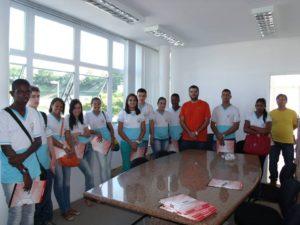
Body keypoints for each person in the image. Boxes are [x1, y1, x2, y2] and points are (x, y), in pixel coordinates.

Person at [0, 79, 42, 225]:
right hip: (12, 170)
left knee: (30, 211)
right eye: (20, 91)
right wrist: (24, 172)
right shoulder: (3, 115)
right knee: (16, 213)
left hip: (32, 167)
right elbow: (6, 148)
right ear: (13, 93)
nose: (24, 95)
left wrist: (22, 158)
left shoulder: (33, 113)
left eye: (27, 91)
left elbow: (38, 141)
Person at [28, 86, 55, 225]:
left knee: (46, 196)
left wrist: (53, 159)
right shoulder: (24, 116)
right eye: (33, 96)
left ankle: (47, 220)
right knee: (37, 199)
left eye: (38, 96)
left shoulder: (41, 115)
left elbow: (49, 137)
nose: (36, 99)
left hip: (46, 162)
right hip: (35, 165)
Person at [47, 98, 76, 221]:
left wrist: (71, 148)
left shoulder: (64, 120)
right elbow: (50, 138)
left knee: (67, 182)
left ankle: (68, 207)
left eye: (61, 107)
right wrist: (64, 147)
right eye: (56, 106)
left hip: (66, 151)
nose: (58, 109)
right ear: (52, 106)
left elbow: (68, 134)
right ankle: (64, 210)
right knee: (59, 182)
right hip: (55, 152)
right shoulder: (47, 119)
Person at [64, 99, 94, 205]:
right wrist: (79, 134)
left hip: (88, 148)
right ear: (71, 109)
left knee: (90, 174)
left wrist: (77, 134)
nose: (77, 110)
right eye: (75, 108)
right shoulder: (67, 119)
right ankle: (89, 197)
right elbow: (67, 135)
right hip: (77, 151)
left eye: (79, 107)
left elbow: (88, 134)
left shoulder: (82, 118)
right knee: (90, 174)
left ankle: (89, 196)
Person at [269, 94, 298, 185]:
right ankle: (273, 179)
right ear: (276, 101)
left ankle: (287, 180)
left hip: (288, 142)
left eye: (283, 99)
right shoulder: (271, 113)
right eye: (279, 99)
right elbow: (268, 126)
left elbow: (295, 125)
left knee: (289, 162)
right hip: (274, 141)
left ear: (286, 101)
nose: (281, 101)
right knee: (273, 161)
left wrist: (287, 130)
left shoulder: (292, 112)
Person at [85, 97, 115, 183]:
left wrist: (112, 139)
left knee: (108, 165)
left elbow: (111, 127)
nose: (97, 105)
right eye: (95, 103)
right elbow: (85, 129)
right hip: (98, 141)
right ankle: (105, 187)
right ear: (91, 104)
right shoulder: (87, 114)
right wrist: (95, 131)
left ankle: (109, 185)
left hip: (108, 139)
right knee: (103, 166)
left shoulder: (104, 113)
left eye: (99, 103)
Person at [118, 94, 146, 171]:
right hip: (126, 143)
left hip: (138, 143)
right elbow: (120, 131)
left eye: (134, 100)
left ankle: (137, 183)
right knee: (127, 165)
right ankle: (127, 183)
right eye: (130, 100)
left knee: (138, 165)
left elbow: (143, 130)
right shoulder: (122, 113)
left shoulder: (140, 113)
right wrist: (131, 143)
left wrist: (136, 142)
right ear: (127, 102)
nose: (132, 102)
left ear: (137, 102)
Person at [244, 98, 272, 174]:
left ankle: (258, 183)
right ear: (255, 106)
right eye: (257, 105)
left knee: (260, 165)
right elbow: (245, 129)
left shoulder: (268, 117)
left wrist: (253, 127)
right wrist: (258, 132)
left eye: (261, 105)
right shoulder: (249, 115)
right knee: (249, 165)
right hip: (251, 144)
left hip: (262, 144)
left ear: (264, 106)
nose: (259, 107)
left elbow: (267, 131)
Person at [179, 85, 211, 150]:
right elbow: (181, 121)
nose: (193, 93)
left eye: (195, 91)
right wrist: (189, 132)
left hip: (201, 139)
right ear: (189, 93)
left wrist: (196, 132)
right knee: (186, 159)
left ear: (198, 93)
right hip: (186, 138)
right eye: (191, 92)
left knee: (201, 159)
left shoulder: (205, 104)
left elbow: (207, 121)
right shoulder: (185, 105)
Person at [137, 88, 154, 155]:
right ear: (137, 95)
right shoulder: (133, 106)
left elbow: (151, 121)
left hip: (145, 133)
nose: (141, 97)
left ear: (146, 96)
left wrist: (152, 135)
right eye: (140, 95)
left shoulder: (149, 107)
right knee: (135, 154)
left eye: (143, 96)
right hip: (135, 132)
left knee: (143, 153)